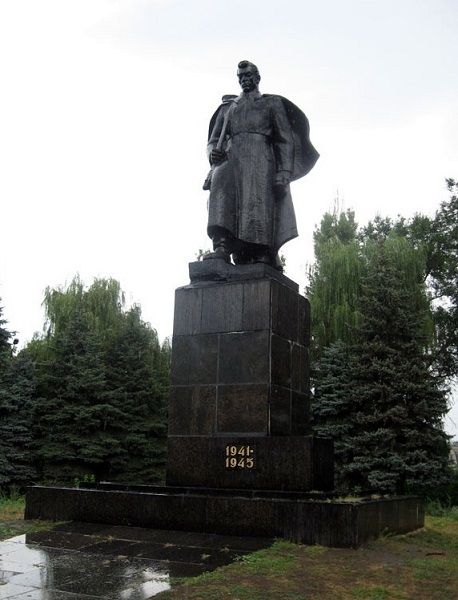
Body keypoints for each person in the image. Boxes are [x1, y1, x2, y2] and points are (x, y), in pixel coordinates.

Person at [203, 60, 319, 269]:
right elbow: (212, 141)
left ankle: (260, 251)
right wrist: (213, 153)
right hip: (230, 160)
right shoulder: (228, 108)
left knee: (256, 204)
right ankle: (221, 247)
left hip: (260, 160)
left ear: (257, 78)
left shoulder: (271, 104)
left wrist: (284, 171)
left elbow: (285, 139)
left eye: (248, 76)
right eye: (240, 77)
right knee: (220, 196)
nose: (244, 80)